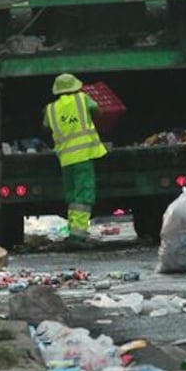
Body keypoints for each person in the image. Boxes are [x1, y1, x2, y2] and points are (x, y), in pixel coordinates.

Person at [43, 73, 107, 246]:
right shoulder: (82, 99)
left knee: (72, 195)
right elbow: (99, 110)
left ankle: (73, 231)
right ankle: (78, 235)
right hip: (83, 155)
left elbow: (45, 125)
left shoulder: (50, 108)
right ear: (76, 87)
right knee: (83, 195)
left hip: (65, 158)